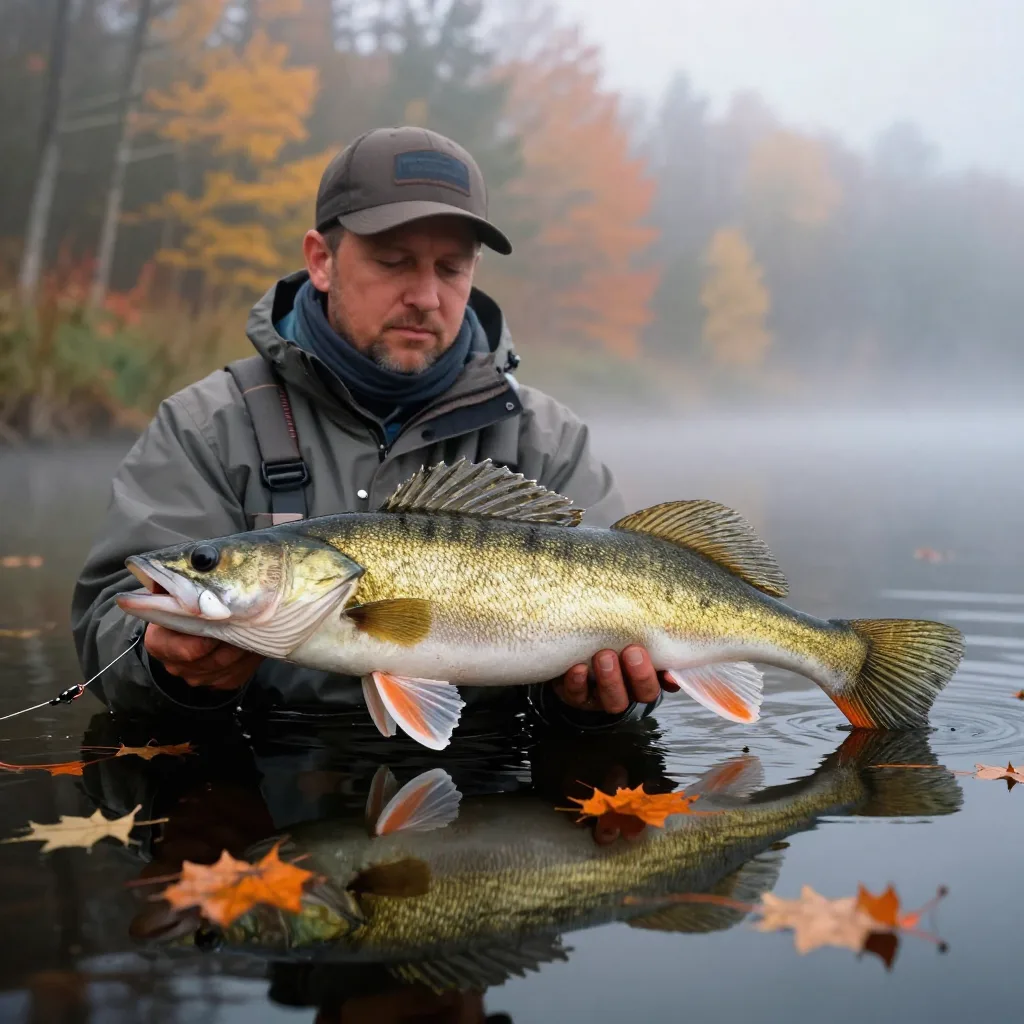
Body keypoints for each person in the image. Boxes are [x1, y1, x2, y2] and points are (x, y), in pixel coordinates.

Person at [71, 126, 674, 725]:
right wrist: (160, 665)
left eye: (451, 268)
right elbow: (109, 624)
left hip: (491, 772)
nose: (426, 296)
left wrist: (597, 707)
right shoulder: (206, 426)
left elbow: (637, 663)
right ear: (321, 261)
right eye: (393, 262)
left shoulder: (548, 440)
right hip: (260, 764)